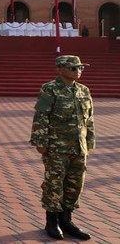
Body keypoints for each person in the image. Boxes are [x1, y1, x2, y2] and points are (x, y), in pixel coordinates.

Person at [30, 55, 94, 241]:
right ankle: (52, 221)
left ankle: (67, 220)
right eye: (73, 68)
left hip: (78, 147)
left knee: (75, 184)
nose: (78, 71)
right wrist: (40, 142)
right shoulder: (50, 89)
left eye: (80, 68)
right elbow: (41, 116)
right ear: (60, 69)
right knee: (54, 184)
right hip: (57, 147)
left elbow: (89, 119)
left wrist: (89, 141)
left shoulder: (83, 90)